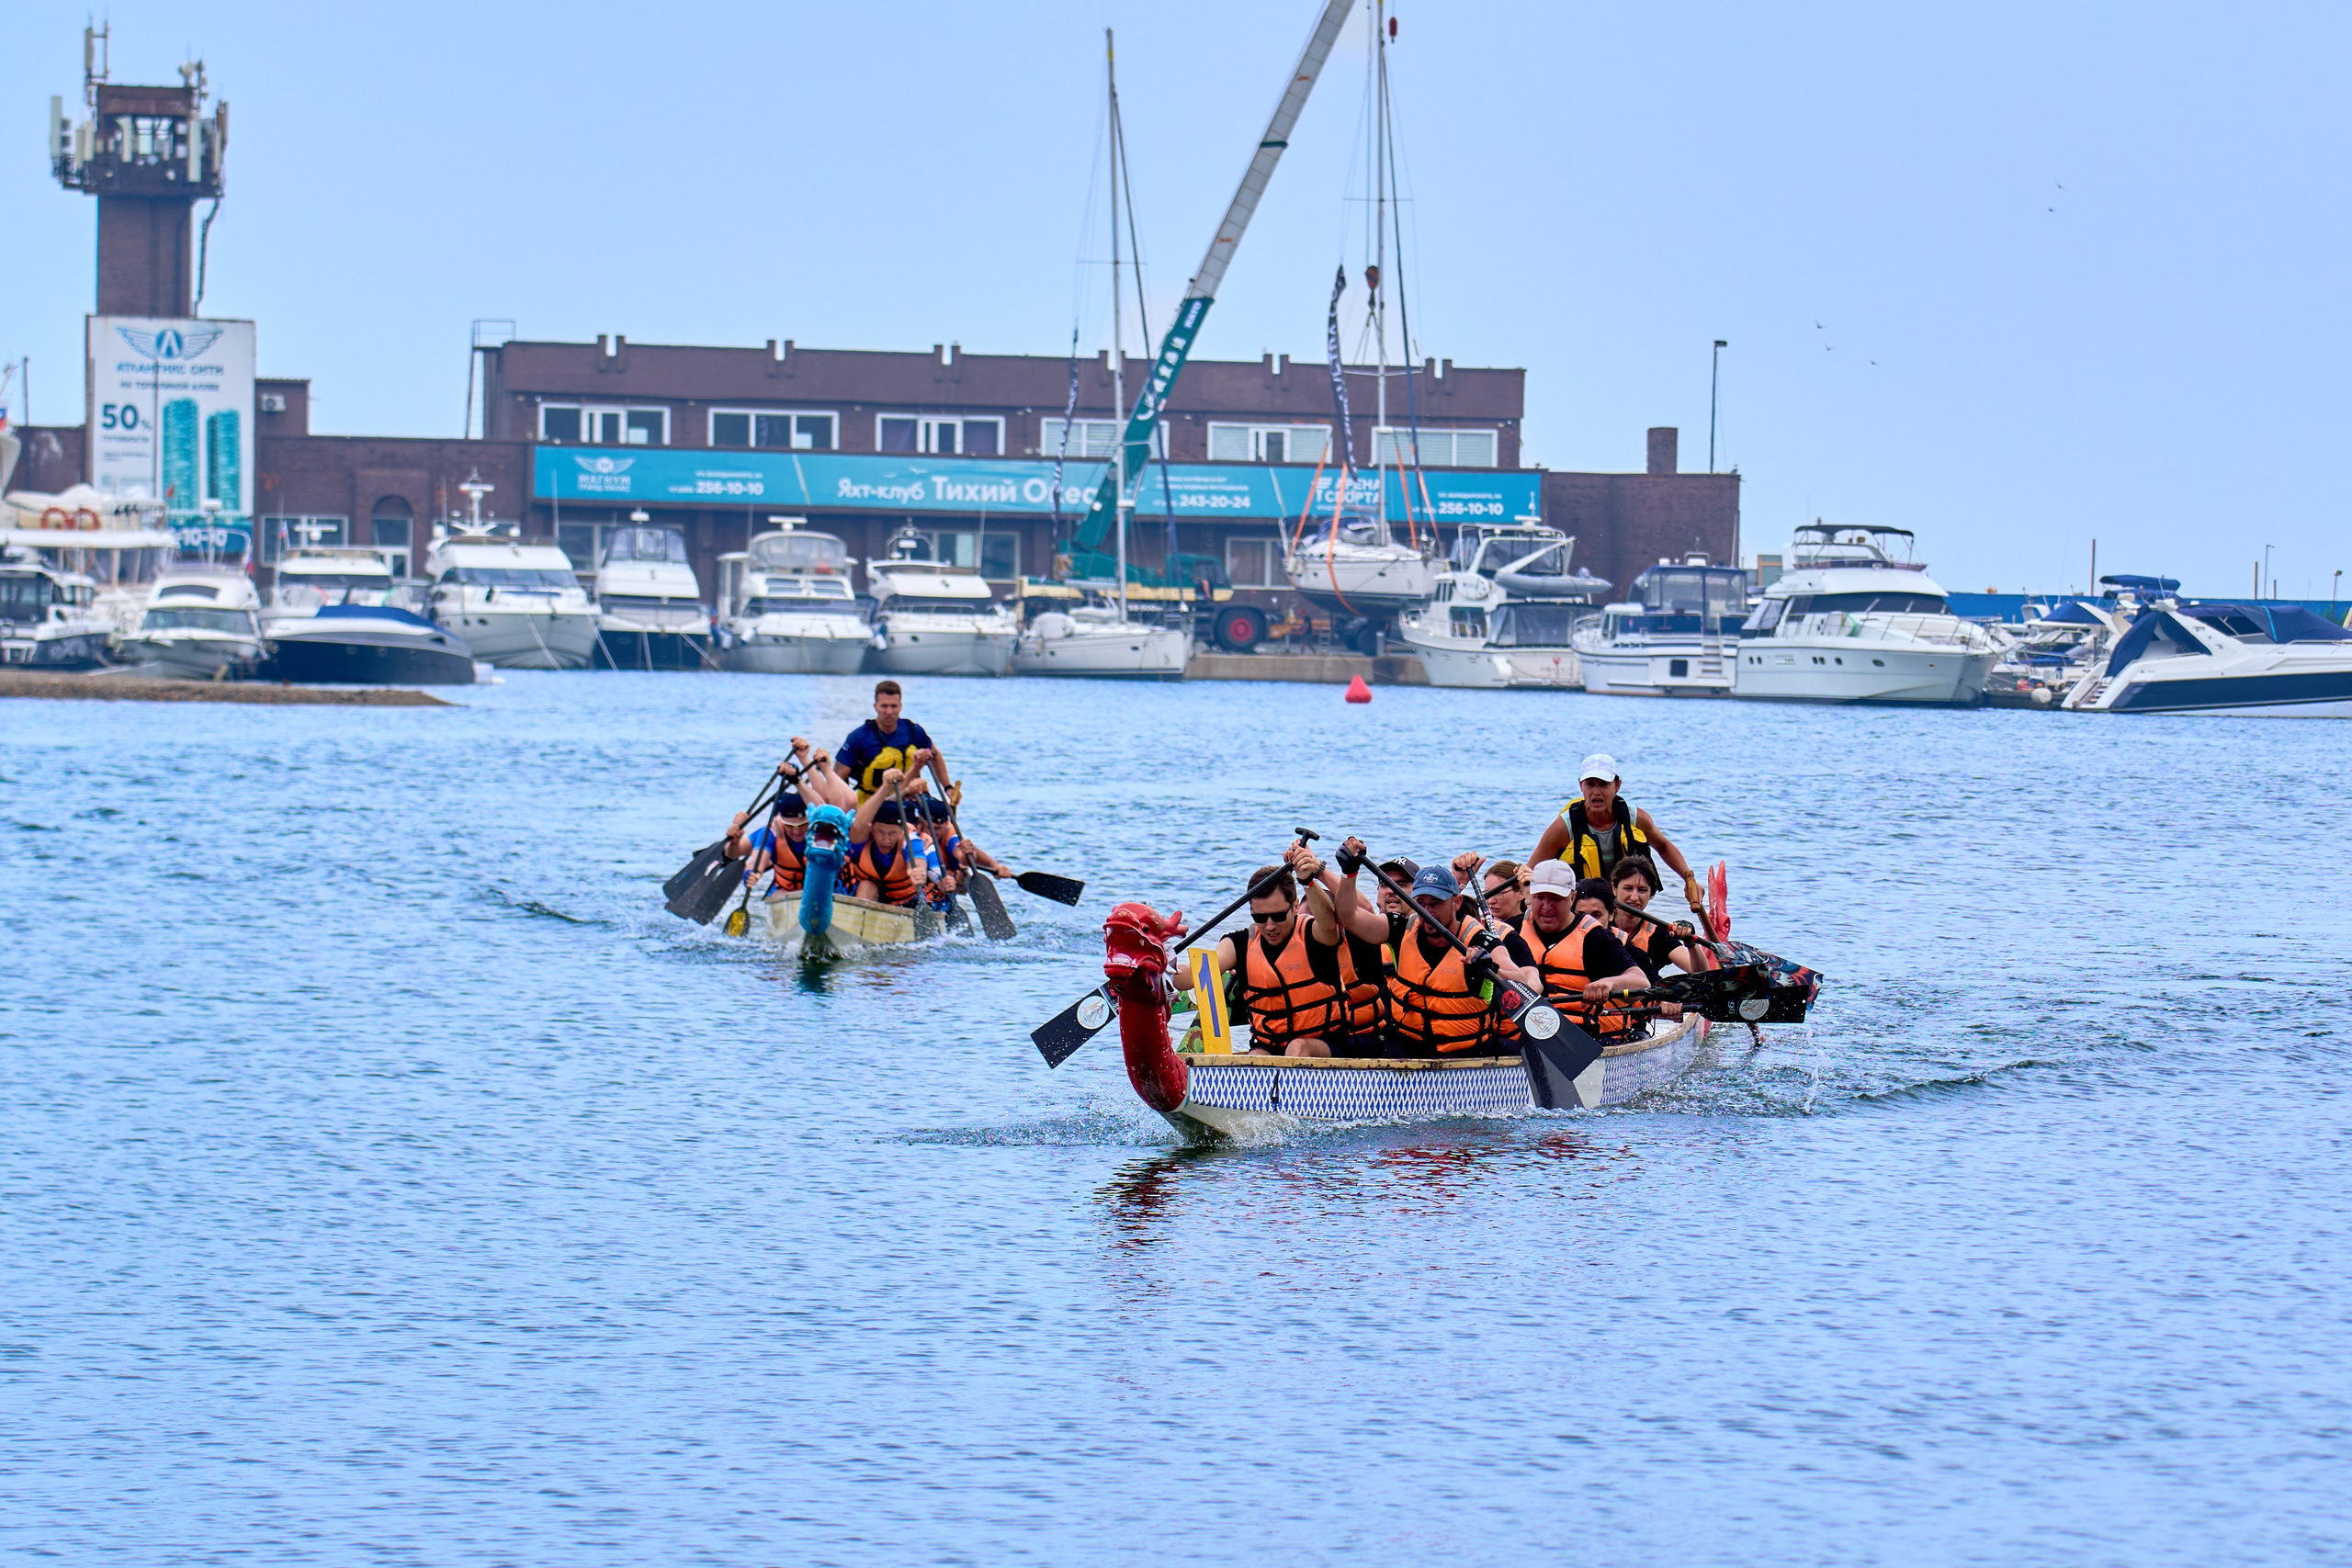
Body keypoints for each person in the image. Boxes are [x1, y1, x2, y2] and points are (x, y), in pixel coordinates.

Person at [1176, 842, 1351, 1058]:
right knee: (1255, 1058)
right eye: (1260, 918)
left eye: (1277, 916)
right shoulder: (1240, 944)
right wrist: (1156, 965)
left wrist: (1308, 881)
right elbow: (1192, 976)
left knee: (1297, 1048)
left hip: (1325, 1044)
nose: (1269, 926)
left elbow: (1329, 926)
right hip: (1269, 1044)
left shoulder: (1312, 935)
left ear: (1295, 907)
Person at [1375, 864, 1543, 1059]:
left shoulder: (1497, 939)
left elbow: (1529, 986)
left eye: (1436, 904)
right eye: (1422, 903)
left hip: (1474, 1040)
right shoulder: (1404, 932)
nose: (1429, 912)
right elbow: (1352, 918)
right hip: (1412, 1036)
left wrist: (1493, 969)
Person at [1528, 753, 1706, 914]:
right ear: (1581, 786)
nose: (1596, 792)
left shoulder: (1635, 818)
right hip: (1584, 910)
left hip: (1627, 905)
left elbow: (1663, 846)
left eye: (1604, 785)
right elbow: (1530, 870)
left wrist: (1688, 878)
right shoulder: (1563, 828)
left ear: (1617, 785)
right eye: (1590, 785)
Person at [1520, 862, 1652, 1038]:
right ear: (1530, 896)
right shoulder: (1514, 928)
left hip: (1576, 1036)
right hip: (1520, 1032)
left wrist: (1609, 983)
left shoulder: (1595, 937)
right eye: (1540, 898)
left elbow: (1641, 984)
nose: (1546, 907)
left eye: (1555, 899)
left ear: (1572, 898)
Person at [834, 681, 949, 802]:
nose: (889, 712)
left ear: (900, 706)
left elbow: (935, 756)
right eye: (884, 706)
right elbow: (836, 778)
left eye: (893, 706)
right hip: (874, 805)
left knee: (939, 813)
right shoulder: (858, 737)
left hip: (911, 800)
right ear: (875, 707)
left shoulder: (914, 731)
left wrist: (948, 788)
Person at [1607, 856, 1706, 983]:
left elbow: (1701, 975)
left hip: (1643, 998)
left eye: (1642, 890)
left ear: (1651, 894)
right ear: (1614, 888)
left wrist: (1691, 943)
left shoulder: (1658, 933)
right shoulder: (1601, 924)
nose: (1634, 897)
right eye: (1628, 888)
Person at [843, 768, 930, 906]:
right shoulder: (863, 837)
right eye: (881, 832)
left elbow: (918, 858)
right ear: (872, 828)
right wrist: (885, 787)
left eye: (892, 833)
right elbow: (858, 825)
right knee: (866, 886)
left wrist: (919, 871)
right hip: (868, 894)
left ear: (901, 830)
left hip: (904, 900)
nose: (886, 840)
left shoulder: (910, 838)